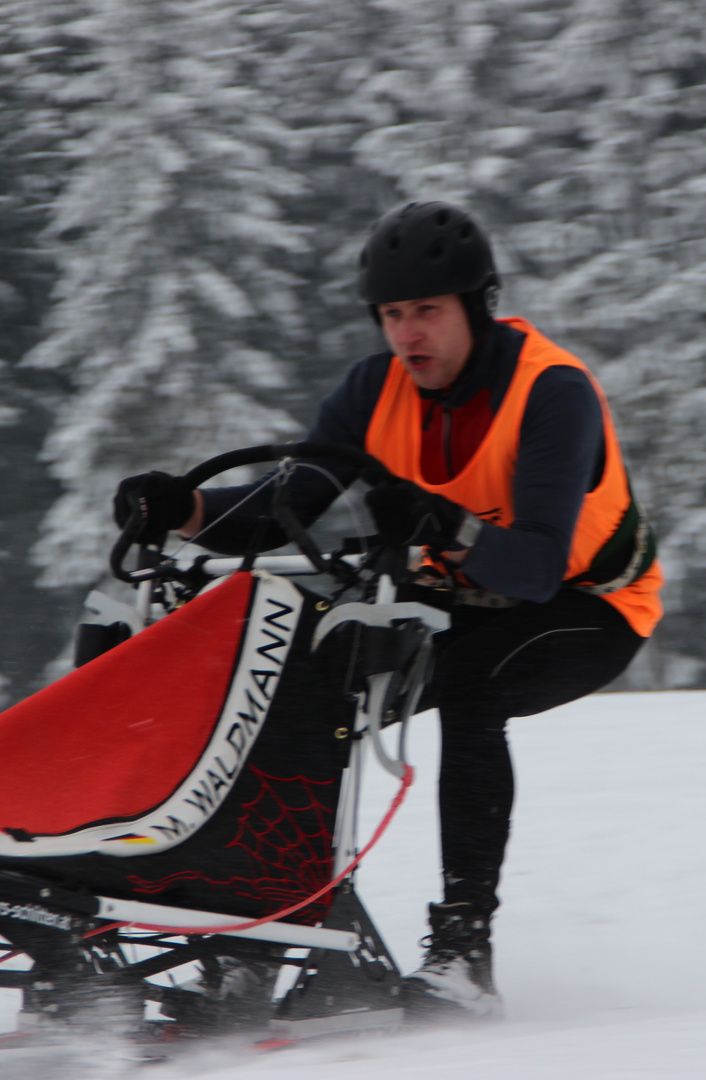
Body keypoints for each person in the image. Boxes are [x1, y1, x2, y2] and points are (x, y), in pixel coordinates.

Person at [114, 201, 663, 1020]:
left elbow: (540, 562)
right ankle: (258, 941)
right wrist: (182, 507)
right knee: (296, 691)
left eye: (428, 313)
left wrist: (450, 527)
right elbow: (285, 503)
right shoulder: (375, 390)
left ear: (476, 307)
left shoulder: (553, 391)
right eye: (394, 316)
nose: (410, 336)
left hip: (591, 604)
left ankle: (463, 958)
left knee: (476, 692)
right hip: (461, 597)